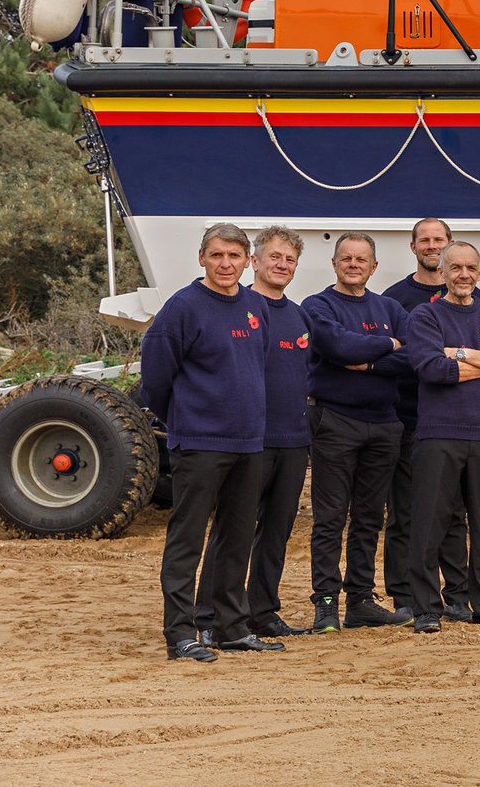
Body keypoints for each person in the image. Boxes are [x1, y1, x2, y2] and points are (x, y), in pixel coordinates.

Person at [139, 223, 269, 660]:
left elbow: (257, 366)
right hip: (199, 442)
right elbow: (155, 381)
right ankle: (180, 634)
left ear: (248, 261)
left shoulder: (255, 306)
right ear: (201, 258)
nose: (226, 264)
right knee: (187, 539)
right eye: (217, 255)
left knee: (235, 538)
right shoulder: (182, 308)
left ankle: (230, 626)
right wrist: (186, 419)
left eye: (234, 256)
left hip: (249, 442)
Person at [398, 240, 480, 632]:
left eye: (471, 268)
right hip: (439, 435)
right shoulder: (425, 315)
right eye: (456, 268)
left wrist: (460, 354)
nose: (464, 275)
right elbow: (431, 368)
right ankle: (426, 609)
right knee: (429, 523)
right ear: (443, 272)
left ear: (479, 273)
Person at [301, 233, 411, 633]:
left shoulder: (391, 307)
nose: (353, 264)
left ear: (374, 267)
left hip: (384, 423)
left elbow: (413, 357)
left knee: (369, 518)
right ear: (334, 263)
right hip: (335, 421)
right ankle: (326, 604)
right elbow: (337, 346)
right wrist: (387, 344)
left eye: (361, 259)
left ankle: (361, 600)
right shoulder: (317, 306)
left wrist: (367, 363)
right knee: (330, 518)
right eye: (345, 258)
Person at [380, 216, 474, 616]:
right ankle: (404, 596)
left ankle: (456, 595)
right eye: (425, 240)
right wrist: (437, 358)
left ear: (450, 245)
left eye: (440, 240)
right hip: (408, 418)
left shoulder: (470, 293)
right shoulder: (395, 297)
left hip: (456, 420)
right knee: (406, 512)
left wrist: (443, 358)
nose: (432, 245)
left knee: (453, 511)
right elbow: (397, 356)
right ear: (413, 246)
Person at [243, 228, 314, 639]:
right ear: (255, 261)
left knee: (276, 532)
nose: (282, 265)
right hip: (249, 440)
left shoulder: (298, 314)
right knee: (233, 532)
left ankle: (263, 611)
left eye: (289, 260)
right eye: (274, 257)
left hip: (292, 440)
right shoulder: (242, 306)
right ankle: (216, 615)